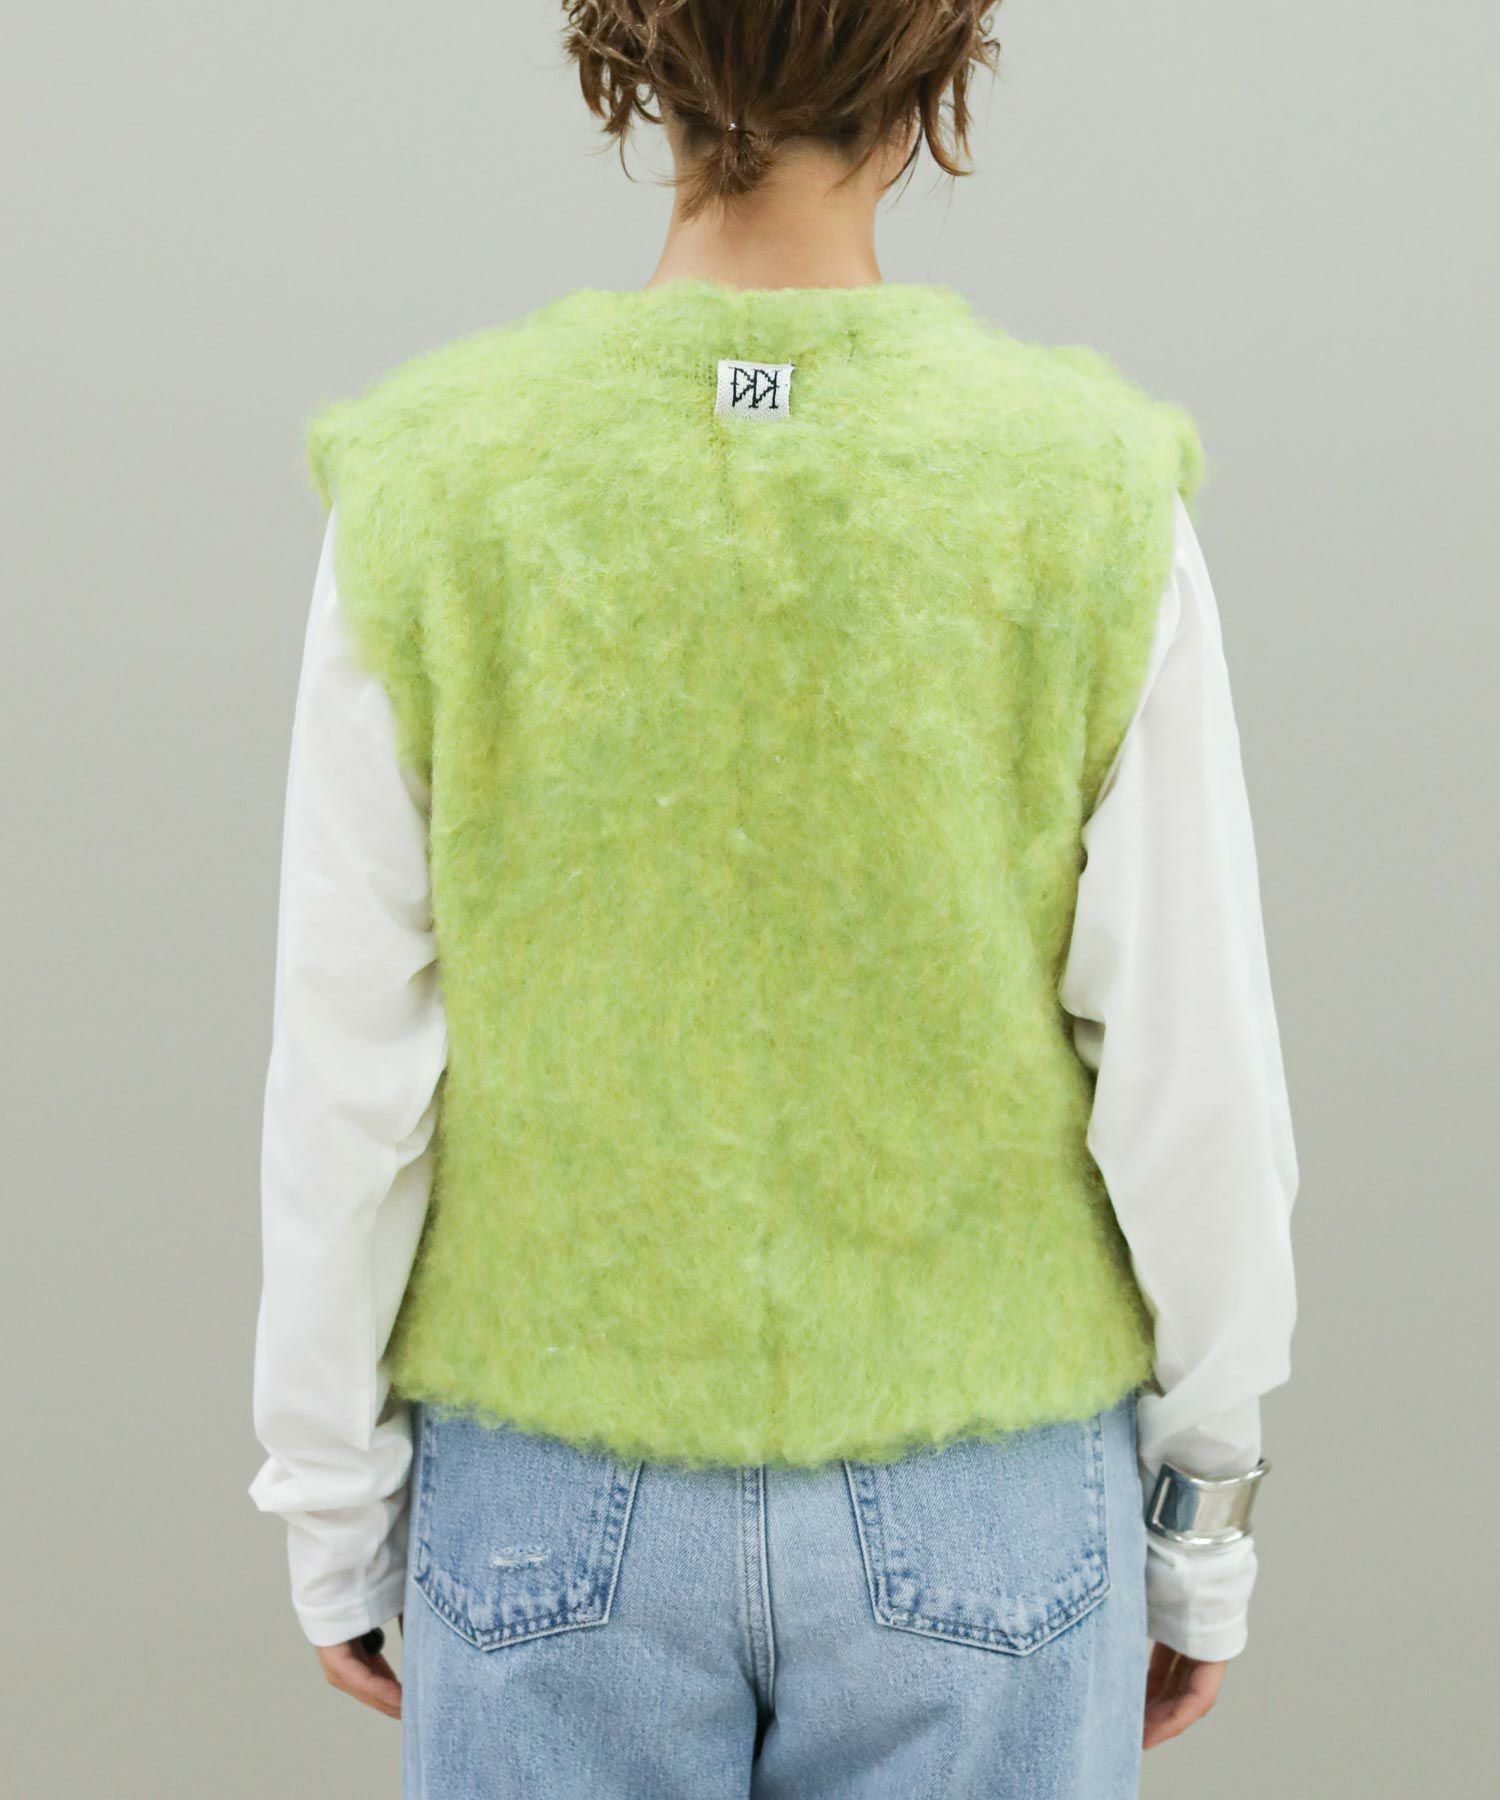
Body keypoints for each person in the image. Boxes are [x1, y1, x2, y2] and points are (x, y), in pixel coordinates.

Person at [250, 5, 1299, 1795]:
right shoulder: (1088, 489)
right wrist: (1205, 1514)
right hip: (984, 1495)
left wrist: (331, 1501)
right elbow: (1192, 1076)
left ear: (634, 61)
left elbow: (345, 1069)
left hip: (551, 1492)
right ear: (934, 71)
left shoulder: (433, 483)